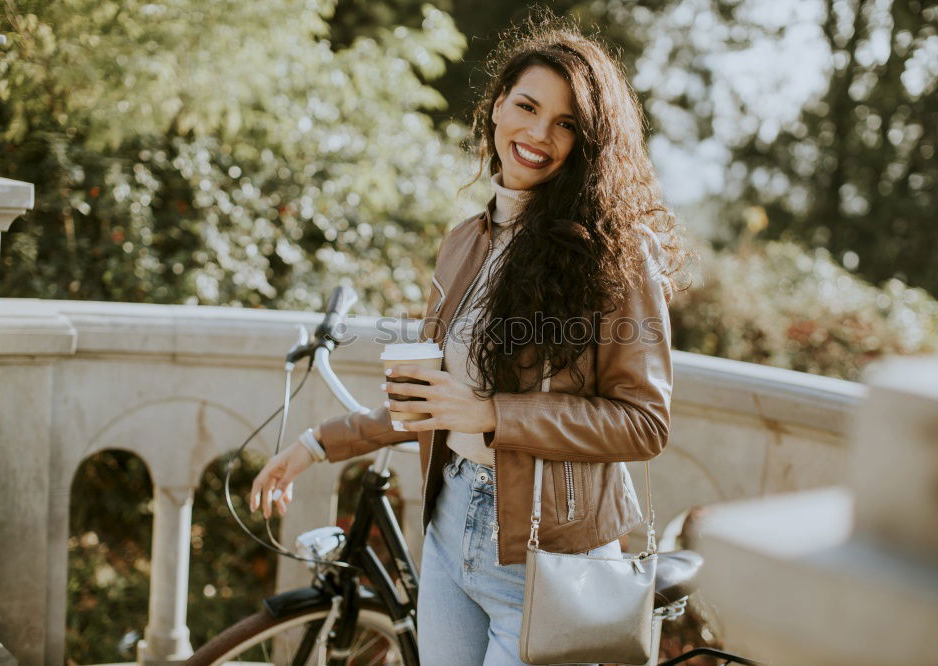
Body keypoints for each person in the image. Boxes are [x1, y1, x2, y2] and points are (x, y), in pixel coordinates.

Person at [249, 13, 686, 666]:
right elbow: (432, 402)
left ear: (591, 141)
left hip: (547, 561)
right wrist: (317, 445)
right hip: (449, 538)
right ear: (497, 108)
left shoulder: (617, 258)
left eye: (566, 123)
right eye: (527, 106)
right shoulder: (464, 242)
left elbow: (643, 424)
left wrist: (493, 415)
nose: (538, 134)